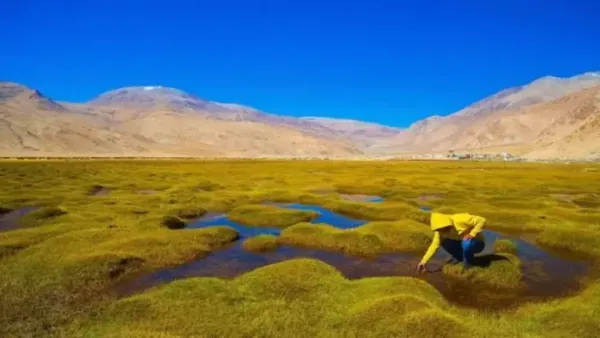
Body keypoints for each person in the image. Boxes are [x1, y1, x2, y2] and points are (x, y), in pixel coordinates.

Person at [417, 212, 486, 272]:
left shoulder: (460, 219)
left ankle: (468, 264)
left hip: (477, 243)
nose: (443, 231)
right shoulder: (440, 232)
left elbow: (482, 220)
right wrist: (423, 261)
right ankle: (460, 258)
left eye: (444, 228)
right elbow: (434, 246)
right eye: (439, 229)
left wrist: (472, 234)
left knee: (466, 243)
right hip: (462, 242)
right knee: (446, 243)